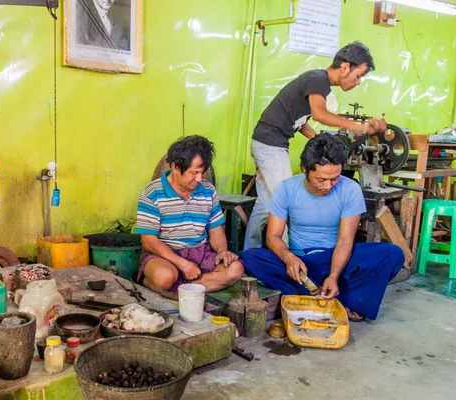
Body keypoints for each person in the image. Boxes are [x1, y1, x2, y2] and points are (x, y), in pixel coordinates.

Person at [240, 133, 404, 321]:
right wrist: (289, 258)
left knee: (392, 254)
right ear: (304, 170)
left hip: (335, 259)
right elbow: (273, 237)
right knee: (249, 258)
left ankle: (314, 292)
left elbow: (344, 241)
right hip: (300, 264)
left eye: (334, 178)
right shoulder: (286, 188)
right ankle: (339, 299)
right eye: (321, 179)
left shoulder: (350, 189)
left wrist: (333, 275)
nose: (328, 186)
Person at [244, 41, 387, 250]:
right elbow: (320, 113)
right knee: (285, 203)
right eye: (359, 76)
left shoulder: (317, 81)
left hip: (266, 143)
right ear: (346, 67)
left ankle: (250, 252)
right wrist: (361, 127)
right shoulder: (319, 80)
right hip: (271, 145)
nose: (358, 82)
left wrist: (316, 140)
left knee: (266, 204)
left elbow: (299, 119)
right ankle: (286, 259)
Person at [136, 135, 244, 297]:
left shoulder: (208, 190)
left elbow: (215, 230)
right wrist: (183, 265)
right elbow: (148, 240)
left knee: (236, 269)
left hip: (199, 253)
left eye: (202, 173)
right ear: (175, 167)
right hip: (164, 255)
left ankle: (182, 288)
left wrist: (222, 251)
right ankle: (156, 283)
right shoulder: (152, 193)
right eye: (194, 173)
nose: (200, 179)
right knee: (163, 277)